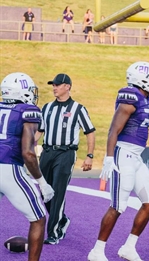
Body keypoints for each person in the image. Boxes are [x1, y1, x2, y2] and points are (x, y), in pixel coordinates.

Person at [87, 62, 149, 261]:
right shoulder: (131, 96)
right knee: (118, 206)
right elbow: (114, 129)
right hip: (123, 154)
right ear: (141, 78)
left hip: (136, 156)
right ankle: (97, 251)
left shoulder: (147, 99)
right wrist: (109, 158)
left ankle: (129, 247)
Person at [0, 72, 55, 261]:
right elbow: (28, 153)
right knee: (39, 218)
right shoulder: (27, 111)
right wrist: (41, 181)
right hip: (9, 169)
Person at [36, 73, 96, 245]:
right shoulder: (47, 108)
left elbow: (89, 132)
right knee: (44, 191)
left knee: (57, 192)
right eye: (53, 85)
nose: (54, 87)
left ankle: (54, 233)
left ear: (67, 87)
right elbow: (40, 131)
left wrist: (90, 156)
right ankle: (62, 219)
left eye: (57, 85)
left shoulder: (78, 108)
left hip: (66, 153)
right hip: (47, 153)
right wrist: (26, 147)